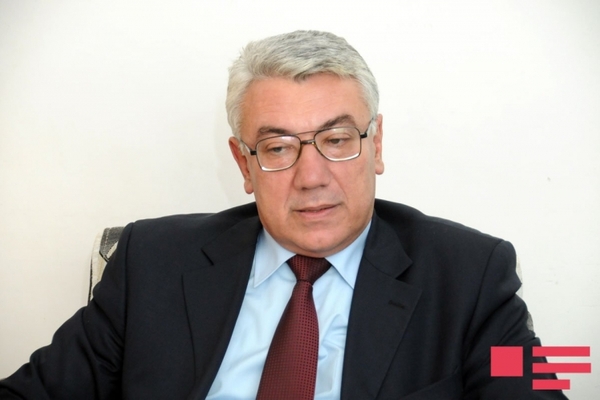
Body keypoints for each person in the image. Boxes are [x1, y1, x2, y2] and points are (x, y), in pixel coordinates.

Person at [0, 30, 566, 399]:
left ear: (376, 145)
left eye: (337, 140)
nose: (311, 176)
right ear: (243, 164)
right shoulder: (152, 263)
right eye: (277, 148)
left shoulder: (470, 276)